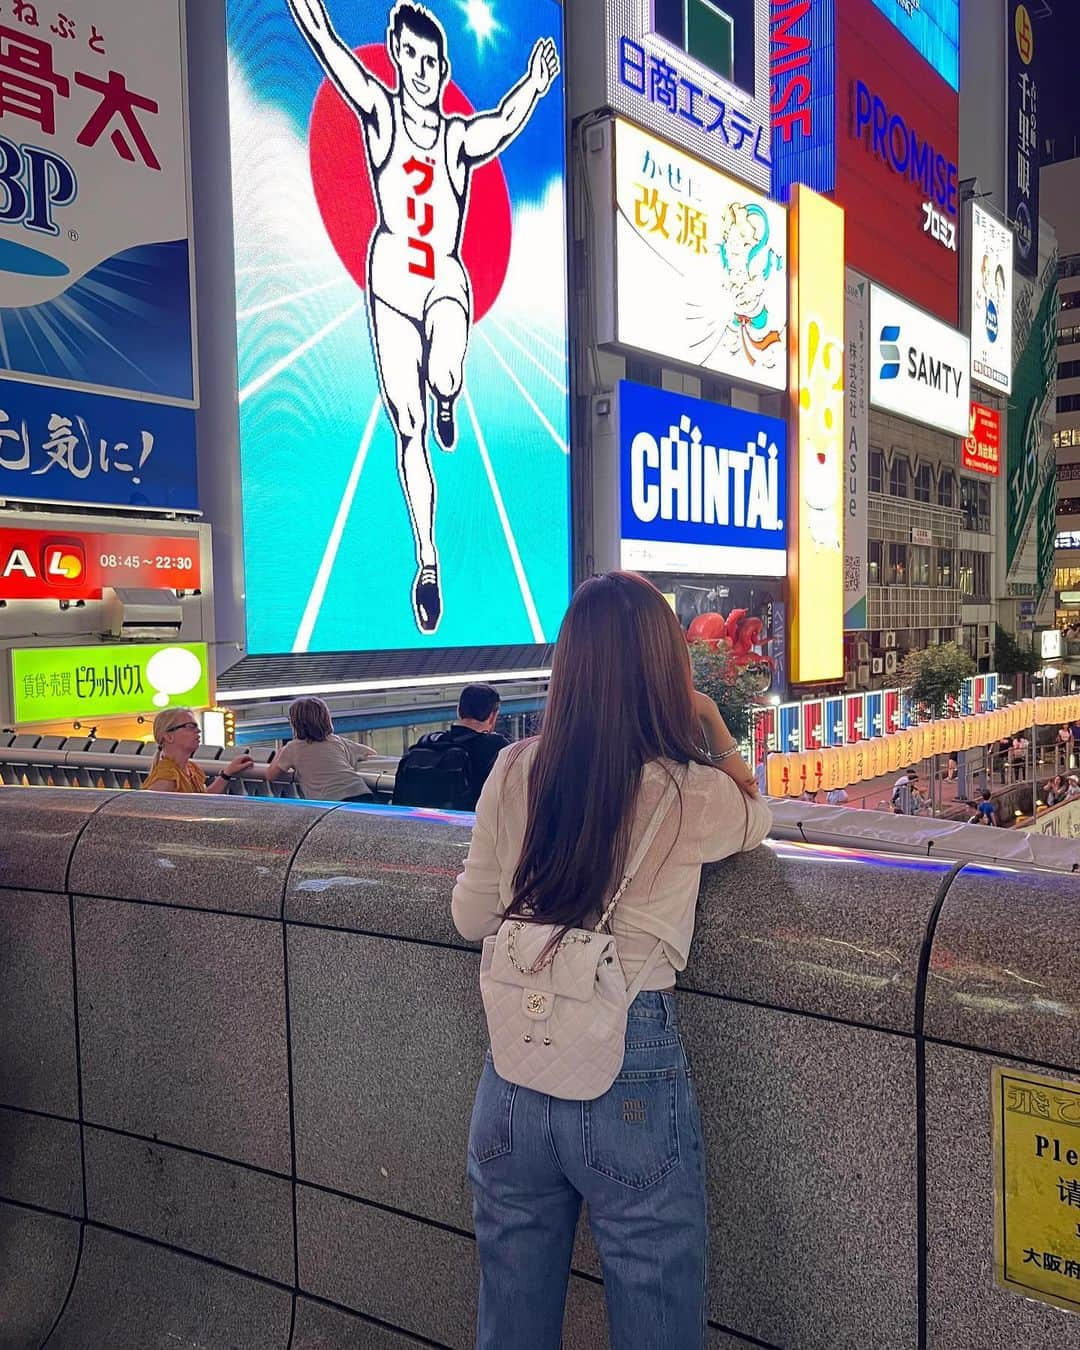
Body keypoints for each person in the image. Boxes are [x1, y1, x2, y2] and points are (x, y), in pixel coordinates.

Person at [451, 571, 772, 1349]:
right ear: (665, 671)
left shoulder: (514, 768)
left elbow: (470, 917)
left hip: (513, 1073)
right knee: (654, 1304)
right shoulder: (687, 790)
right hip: (632, 1059)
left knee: (511, 1323)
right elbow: (757, 815)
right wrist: (712, 724)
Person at [287, 0, 559, 634]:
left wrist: (535, 86)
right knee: (406, 431)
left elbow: (499, 126)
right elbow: (331, 51)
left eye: (431, 60)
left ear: (441, 68)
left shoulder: (455, 137)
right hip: (390, 285)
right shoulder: (379, 116)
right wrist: (309, 15)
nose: (420, 69)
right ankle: (428, 562)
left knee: (444, 368)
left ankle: (449, 392)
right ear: (397, 54)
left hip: (442, 278)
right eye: (409, 56)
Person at [392, 682, 509, 810]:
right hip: (465, 827)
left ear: (458, 711)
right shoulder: (497, 747)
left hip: (415, 826)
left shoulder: (428, 742)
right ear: (492, 716)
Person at [256, 697, 377, 802]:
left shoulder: (293, 748)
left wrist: (280, 751)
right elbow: (370, 753)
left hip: (330, 802)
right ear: (326, 718)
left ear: (294, 723)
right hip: (361, 792)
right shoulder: (336, 741)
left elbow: (270, 775)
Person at [142, 709, 253, 793]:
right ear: (168, 736)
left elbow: (202, 800)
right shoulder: (166, 778)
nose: (198, 730)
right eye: (190, 726)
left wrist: (227, 773)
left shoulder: (191, 769)